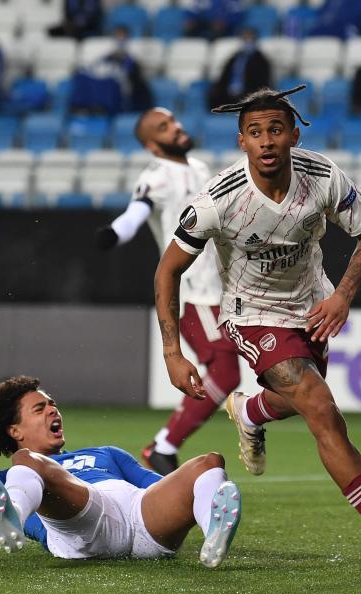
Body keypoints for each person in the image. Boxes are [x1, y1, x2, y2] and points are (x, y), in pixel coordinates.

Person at [154, 85, 361, 573]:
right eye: (255, 132)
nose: (266, 141)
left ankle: (251, 412)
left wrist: (342, 295)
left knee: (301, 399)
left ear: (293, 136)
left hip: (311, 305)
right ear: (241, 141)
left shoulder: (321, 176)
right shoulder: (219, 200)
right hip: (250, 312)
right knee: (321, 407)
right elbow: (167, 270)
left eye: (275, 130)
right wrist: (173, 352)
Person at [0, 327, 242, 567]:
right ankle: (13, 516)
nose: (52, 410)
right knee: (29, 461)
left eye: (52, 404)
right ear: (14, 430)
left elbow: (160, 487)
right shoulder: (9, 478)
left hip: (141, 520)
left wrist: (187, 493)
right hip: (80, 533)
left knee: (209, 463)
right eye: (39, 408)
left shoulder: (107, 454)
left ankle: (213, 531)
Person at [94, 107, 241, 475]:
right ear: (151, 145)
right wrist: (114, 233)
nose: (175, 127)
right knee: (225, 374)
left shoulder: (202, 168)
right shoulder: (156, 176)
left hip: (225, 287)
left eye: (174, 121)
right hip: (195, 291)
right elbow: (136, 212)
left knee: (239, 371)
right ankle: (164, 445)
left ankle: (169, 444)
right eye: (164, 127)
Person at [70, 26, 153, 115]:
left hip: (125, 80)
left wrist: (124, 58)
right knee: (82, 77)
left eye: (122, 36)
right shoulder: (110, 49)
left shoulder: (135, 48)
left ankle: (105, 107)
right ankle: (83, 105)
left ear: (127, 36)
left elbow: (134, 68)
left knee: (110, 83)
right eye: (118, 35)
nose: (120, 38)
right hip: (109, 74)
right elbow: (99, 63)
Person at [208, 27, 272, 110]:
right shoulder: (235, 57)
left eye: (250, 39)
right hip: (229, 91)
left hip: (248, 91)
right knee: (213, 94)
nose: (247, 42)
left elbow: (263, 81)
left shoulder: (261, 60)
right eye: (245, 39)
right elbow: (224, 75)